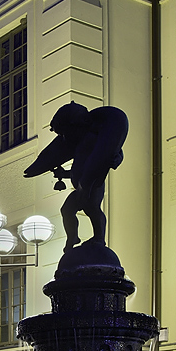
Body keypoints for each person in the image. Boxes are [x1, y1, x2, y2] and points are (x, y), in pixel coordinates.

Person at [23, 102, 128, 253]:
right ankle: (73, 237)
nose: (64, 137)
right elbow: (77, 169)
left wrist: (116, 159)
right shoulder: (78, 144)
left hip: (93, 184)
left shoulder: (94, 138)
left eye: (65, 132)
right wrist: (63, 174)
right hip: (80, 185)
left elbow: (114, 149)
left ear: (77, 125)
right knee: (66, 210)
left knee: (92, 209)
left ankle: (99, 237)